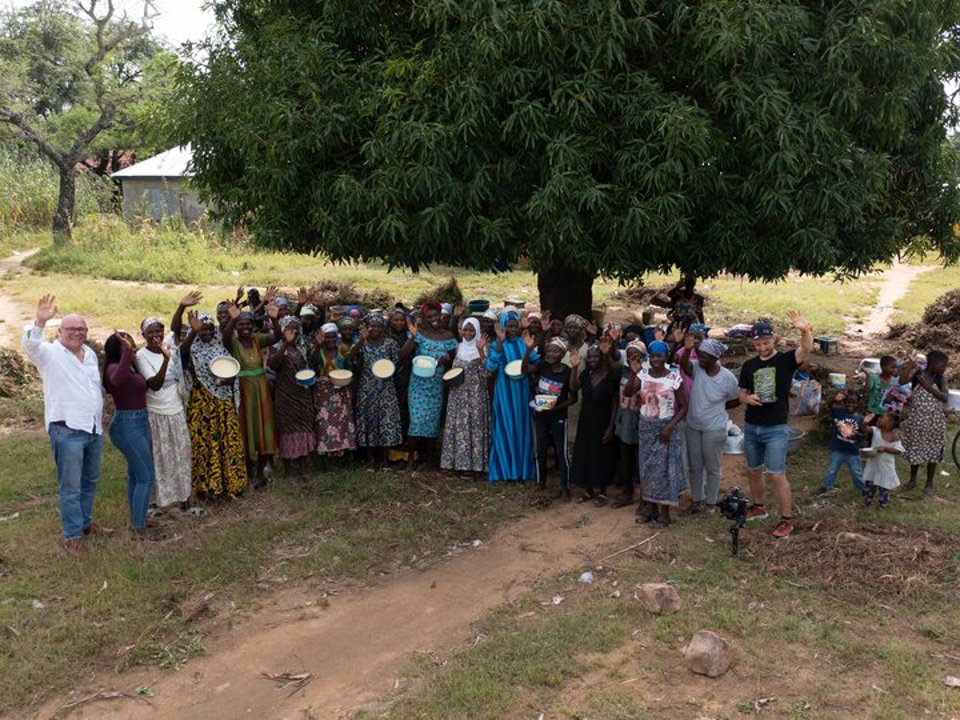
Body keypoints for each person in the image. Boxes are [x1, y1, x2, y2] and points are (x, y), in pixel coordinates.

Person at [22, 294, 109, 558]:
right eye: (70, 329)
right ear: (60, 331)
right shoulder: (49, 353)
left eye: (81, 329)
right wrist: (39, 321)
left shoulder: (90, 354)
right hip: (67, 430)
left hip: (92, 429)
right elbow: (30, 345)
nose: (76, 333)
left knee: (89, 480)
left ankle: (84, 522)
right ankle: (72, 536)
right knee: (70, 486)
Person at [738, 313, 813, 539]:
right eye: (758, 344)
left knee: (777, 474)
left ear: (774, 340)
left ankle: (786, 520)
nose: (762, 348)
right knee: (753, 470)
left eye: (766, 343)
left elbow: (806, 350)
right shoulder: (749, 365)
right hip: (752, 426)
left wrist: (805, 330)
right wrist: (746, 399)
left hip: (776, 428)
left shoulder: (786, 360)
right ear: (753, 343)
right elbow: (741, 393)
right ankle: (758, 507)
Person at [180, 311, 247, 499]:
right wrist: (193, 332)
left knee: (228, 441)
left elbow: (231, 369)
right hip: (202, 406)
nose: (207, 333)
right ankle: (208, 488)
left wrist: (229, 380)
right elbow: (181, 353)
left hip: (223, 404)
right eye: (203, 330)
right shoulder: (192, 349)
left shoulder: (221, 348)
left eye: (210, 329)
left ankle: (232, 483)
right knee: (205, 444)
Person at [135, 317, 194, 514]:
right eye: (150, 332)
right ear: (143, 335)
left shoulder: (172, 350)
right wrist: (165, 359)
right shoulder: (141, 356)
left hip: (176, 409)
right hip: (157, 412)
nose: (156, 336)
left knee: (182, 453)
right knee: (160, 457)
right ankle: (158, 500)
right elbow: (154, 384)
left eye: (159, 331)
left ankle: (184, 496)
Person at [676, 336, 740, 514]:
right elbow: (683, 364)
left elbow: (735, 400)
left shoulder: (727, 378)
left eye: (704, 357)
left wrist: (718, 407)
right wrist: (688, 349)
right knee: (695, 466)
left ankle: (711, 503)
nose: (700, 359)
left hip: (714, 428)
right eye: (699, 355)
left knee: (712, 466)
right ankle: (697, 500)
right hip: (693, 426)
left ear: (715, 358)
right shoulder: (697, 368)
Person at [102, 331, 156, 539]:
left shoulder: (130, 366)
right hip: (127, 425)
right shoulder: (114, 368)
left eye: (130, 339)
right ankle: (138, 528)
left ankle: (138, 519)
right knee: (146, 476)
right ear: (118, 348)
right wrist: (128, 352)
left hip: (140, 421)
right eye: (124, 341)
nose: (130, 342)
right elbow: (116, 381)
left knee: (136, 474)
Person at [628, 340, 687, 527]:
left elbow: (685, 406)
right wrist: (634, 372)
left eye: (659, 356)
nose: (655, 360)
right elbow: (630, 392)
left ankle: (664, 514)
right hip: (646, 427)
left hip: (665, 430)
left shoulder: (674, 378)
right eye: (652, 356)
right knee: (647, 469)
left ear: (666, 356)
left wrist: (669, 427)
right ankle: (650, 509)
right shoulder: (643, 375)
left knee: (664, 471)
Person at [223, 301, 281, 485]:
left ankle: (261, 473)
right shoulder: (233, 342)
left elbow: (277, 337)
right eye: (241, 324)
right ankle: (249, 471)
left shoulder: (258, 339)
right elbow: (224, 338)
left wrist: (274, 319)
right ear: (237, 327)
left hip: (261, 388)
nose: (245, 327)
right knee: (247, 426)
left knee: (263, 426)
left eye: (248, 324)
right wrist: (232, 320)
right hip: (244, 389)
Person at [486, 309, 538, 482]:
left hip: (522, 392)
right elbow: (490, 368)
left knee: (522, 428)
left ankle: (522, 471)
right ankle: (504, 471)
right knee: (504, 426)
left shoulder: (524, 342)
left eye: (515, 326)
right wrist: (499, 344)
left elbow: (537, 362)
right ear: (502, 327)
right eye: (509, 326)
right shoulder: (497, 344)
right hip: (504, 393)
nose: (512, 329)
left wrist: (529, 356)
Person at [406, 302, 458, 470]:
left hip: (436, 384)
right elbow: (403, 353)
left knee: (432, 421)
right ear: (424, 319)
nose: (434, 319)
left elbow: (454, 357)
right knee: (416, 419)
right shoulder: (419, 333)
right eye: (430, 317)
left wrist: (446, 360)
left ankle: (429, 460)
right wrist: (413, 337)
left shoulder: (448, 336)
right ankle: (412, 460)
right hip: (418, 384)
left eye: (436, 316)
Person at [523, 335, 576, 498]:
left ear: (562, 354)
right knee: (541, 449)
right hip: (540, 414)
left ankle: (565, 487)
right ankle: (541, 482)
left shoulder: (567, 372)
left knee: (561, 452)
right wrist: (529, 349)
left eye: (555, 352)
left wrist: (555, 408)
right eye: (549, 351)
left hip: (558, 416)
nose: (550, 354)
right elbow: (525, 370)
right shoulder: (543, 365)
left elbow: (573, 397)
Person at [569, 340, 620, 505]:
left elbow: (615, 403)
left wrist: (610, 428)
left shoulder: (610, 376)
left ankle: (602, 491)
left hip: (603, 421)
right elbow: (573, 388)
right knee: (586, 453)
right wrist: (575, 368)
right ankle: (588, 489)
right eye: (589, 357)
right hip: (586, 421)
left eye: (596, 356)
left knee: (603, 455)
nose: (592, 359)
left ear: (601, 357)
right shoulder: (586, 374)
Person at [440, 318, 490, 477]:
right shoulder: (458, 347)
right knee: (457, 427)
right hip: (458, 395)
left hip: (476, 394)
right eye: (465, 330)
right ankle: (452, 463)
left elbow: (487, 373)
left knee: (473, 427)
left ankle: (472, 466)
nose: (468, 333)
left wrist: (481, 351)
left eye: (472, 330)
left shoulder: (482, 348)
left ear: (477, 331)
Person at [268, 316, 318, 476]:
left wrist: (317, 344)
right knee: (287, 431)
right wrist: (286, 344)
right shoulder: (277, 347)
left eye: (296, 329)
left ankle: (302, 468)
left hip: (303, 395)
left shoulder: (301, 348)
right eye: (289, 328)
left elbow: (310, 366)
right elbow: (273, 364)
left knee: (304, 428)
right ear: (282, 330)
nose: (293, 332)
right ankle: (288, 471)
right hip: (285, 396)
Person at [352, 313, 404, 464]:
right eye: (372, 325)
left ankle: (385, 461)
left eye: (379, 326)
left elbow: (396, 361)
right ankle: (370, 459)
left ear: (383, 328)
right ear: (367, 327)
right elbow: (351, 357)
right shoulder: (361, 342)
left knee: (385, 421)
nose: (375, 328)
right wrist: (362, 340)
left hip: (386, 388)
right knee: (368, 421)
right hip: (367, 387)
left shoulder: (390, 343)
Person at [901, 350, 950, 496]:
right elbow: (902, 381)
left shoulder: (941, 379)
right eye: (942, 365)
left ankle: (929, 483)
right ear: (932, 363)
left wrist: (928, 387)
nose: (944, 368)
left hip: (935, 422)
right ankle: (913, 480)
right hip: (917, 421)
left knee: (933, 451)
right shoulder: (917, 374)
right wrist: (909, 366)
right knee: (915, 449)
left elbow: (945, 397)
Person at [310, 322, 356, 458]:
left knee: (342, 423)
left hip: (341, 391)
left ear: (337, 337)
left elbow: (349, 369)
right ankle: (325, 457)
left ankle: (343, 455)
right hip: (323, 394)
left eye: (333, 337)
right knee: (324, 424)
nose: (330, 340)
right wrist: (318, 345)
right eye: (327, 337)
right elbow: (311, 364)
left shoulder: (342, 350)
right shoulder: (317, 350)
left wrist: (348, 387)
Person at [610, 339, 645, 508]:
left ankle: (644, 496)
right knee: (625, 456)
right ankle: (627, 491)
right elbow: (620, 394)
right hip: (624, 417)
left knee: (641, 458)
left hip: (640, 420)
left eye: (636, 354)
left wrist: (636, 372)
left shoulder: (647, 372)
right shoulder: (621, 370)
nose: (632, 356)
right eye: (630, 353)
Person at [812, 390, 865, 496]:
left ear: (858, 404)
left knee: (857, 472)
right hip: (838, 449)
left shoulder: (861, 419)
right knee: (832, 469)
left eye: (853, 402)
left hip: (852, 451)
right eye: (848, 402)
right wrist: (835, 399)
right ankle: (826, 486)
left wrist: (855, 434)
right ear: (844, 403)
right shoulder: (840, 412)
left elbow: (863, 436)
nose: (850, 404)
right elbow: (829, 406)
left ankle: (862, 489)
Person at [862, 411, 904, 508]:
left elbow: (898, 450)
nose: (878, 419)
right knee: (870, 483)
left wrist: (885, 449)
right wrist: (864, 422)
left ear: (890, 423)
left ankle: (882, 504)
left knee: (884, 487)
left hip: (885, 466)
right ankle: (867, 501)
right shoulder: (876, 430)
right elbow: (865, 429)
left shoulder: (894, 437)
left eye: (881, 418)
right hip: (873, 464)